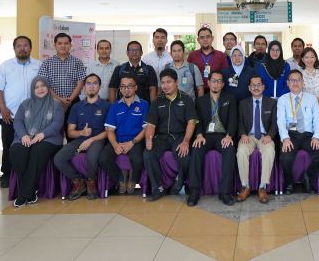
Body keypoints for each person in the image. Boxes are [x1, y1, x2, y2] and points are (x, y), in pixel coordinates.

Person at [0, 36, 41, 188]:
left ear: (30, 48)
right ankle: (7, 174)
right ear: (14, 48)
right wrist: (3, 108)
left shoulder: (39, 65)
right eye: (19, 46)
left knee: (32, 145)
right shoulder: (5, 66)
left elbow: (45, 88)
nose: (22, 48)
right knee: (9, 145)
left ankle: (28, 175)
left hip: (34, 115)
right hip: (10, 115)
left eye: (25, 45)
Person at [54, 74, 110, 200]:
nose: (91, 86)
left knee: (92, 156)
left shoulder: (107, 106)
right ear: (84, 87)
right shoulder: (76, 107)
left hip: (98, 139)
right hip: (80, 139)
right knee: (58, 158)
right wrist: (81, 133)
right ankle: (78, 182)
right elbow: (70, 132)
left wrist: (91, 139)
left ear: (99, 87)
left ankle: (91, 183)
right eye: (88, 83)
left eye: (95, 83)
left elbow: (109, 132)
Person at [9, 76, 64, 207]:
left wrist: (43, 134)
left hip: (50, 138)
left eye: (43, 86)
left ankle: (23, 194)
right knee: (16, 151)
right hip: (26, 136)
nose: (40, 89)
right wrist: (23, 135)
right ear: (32, 90)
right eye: (36, 87)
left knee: (37, 151)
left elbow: (57, 124)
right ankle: (30, 191)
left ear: (48, 87)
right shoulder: (25, 104)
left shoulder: (56, 104)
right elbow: (18, 121)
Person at [144, 68, 196, 201]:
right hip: (162, 138)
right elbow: (151, 125)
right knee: (148, 153)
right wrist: (149, 139)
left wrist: (186, 141)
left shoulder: (186, 99)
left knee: (184, 155)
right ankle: (158, 188)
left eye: (169, 82)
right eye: (163, 83)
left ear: (176, 82)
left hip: (180, 136)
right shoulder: (157, 101)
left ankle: (180, 182)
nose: (165, 86)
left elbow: (191, 122)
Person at [187, 70, 237, 206]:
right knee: (196, 149)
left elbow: (233, 119)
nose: (216, 84)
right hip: (206, 136)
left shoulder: (230, 99)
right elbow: (196, 121)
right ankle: (194, 191)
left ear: (223, 84)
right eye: (213, 81)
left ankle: (225, 192)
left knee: (230, 150)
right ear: (208, 83)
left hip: (222, 135)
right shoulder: (200, 101)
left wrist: (229, 136)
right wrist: (198, 135)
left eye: (219, 81)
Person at [277, 70, 319, 195]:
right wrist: (285, 138)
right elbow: (281, 121)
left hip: (307, 135)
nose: (295, 83)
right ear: (288, 83)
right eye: (292, 80)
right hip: (291, 134)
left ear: (303, 82)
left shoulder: (312, 99)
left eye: (298, 80)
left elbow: (318, 120)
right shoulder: (282, 100)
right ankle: (289, 182)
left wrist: (316, 137)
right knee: (285, 157)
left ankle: (308, 177)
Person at [100, 74, 148, 195]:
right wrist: (115, 145)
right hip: (118, 140)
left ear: (135, 87)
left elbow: (146, 129)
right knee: (103, 158)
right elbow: (110, 130)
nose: (126, 89)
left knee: (138, 159)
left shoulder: (144, 104)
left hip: (136, 141)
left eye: (130, 86)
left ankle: (133, 180)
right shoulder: (115, 106)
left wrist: (132, 143)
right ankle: (120, 179)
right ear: (120, 89)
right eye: (123, 86)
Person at [236, 75, 278, 204]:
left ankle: (262, 187)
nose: (256, 87)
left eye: (258, 84)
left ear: (263, 87)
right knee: (241, 151)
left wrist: (270, 135)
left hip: (265, 136)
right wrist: (243, 134)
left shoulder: (272, 103)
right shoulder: (243, 103)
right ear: (249, 88)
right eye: (253, 85)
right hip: (248, 136)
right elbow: (239, 122)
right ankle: (245, 186)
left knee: (269, 151)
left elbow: (275, 123)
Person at [38, 33, 86, 136]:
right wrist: (59, 99)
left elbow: (81, 82)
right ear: (55, 45)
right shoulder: (46, 63)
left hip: (73, 103)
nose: (63, 46)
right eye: (60, 43)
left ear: (70, 45)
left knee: (73, 134)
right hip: (52, 103)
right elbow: (44, 84)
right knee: (54, 134)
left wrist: (69, 100)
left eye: (66, 43)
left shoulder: (78, 62)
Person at [187, 27, 228, 92]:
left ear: (212, 38)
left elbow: (225, 75)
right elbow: (188, 74)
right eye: (202, 37)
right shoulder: (192, 55)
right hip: (197, 91)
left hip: (216, 91)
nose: (205, 39)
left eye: (208, 37)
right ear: (198, 40)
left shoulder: (221, 55)